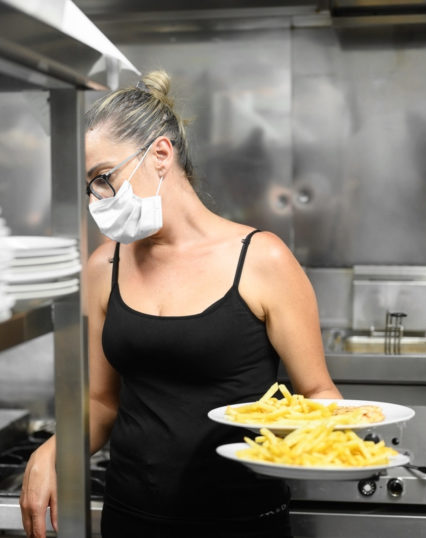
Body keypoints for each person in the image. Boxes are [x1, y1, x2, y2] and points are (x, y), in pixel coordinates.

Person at [20, 70, 341, 538]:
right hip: (131, 518)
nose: (97, 200)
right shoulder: (103, 266)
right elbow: (101, 400)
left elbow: (319, 394)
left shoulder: (262, 259)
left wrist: (310, 443)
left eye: (102, 178)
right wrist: (54, 448)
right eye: (89, 187)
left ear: (161, 155)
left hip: (242, 520)